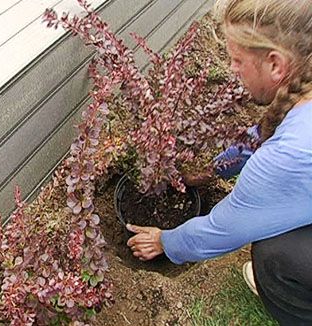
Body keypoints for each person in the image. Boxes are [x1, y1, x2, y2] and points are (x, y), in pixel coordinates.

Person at [126, 0, 312, 324]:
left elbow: (223, 229)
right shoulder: (301, 99)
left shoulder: (288, 157)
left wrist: (164, 241)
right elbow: (264, 134)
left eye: (237, 59)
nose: (231, 68)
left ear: (276, 65)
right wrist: (215, 168)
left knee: (276, 255)